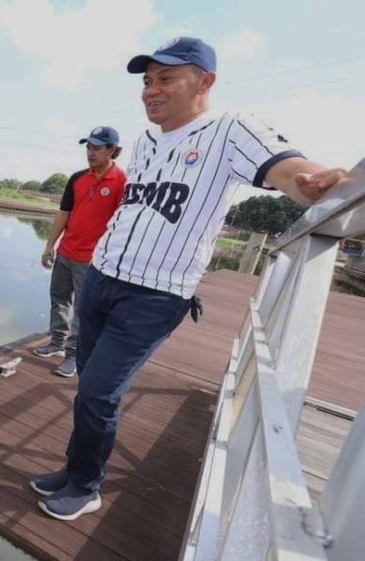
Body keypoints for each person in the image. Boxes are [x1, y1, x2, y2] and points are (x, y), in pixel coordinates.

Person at [30, 37, 350, 521]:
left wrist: (306, 181)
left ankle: (86, 486)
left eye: (165, 79)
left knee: (98, 391)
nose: (150, 91)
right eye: (147, 81)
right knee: (89, 387)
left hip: (154, 294)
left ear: (204, 82)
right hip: (101, 277)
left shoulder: (229, 128)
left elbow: (283, 166)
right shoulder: (147, 140)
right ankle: (74, 469)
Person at [34, 127, 127, 377]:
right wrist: (49, 244)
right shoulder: (77, 178)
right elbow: (64, 213)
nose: (90, 152)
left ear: (112, 150)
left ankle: (74, 356)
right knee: (59, 298)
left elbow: (122, 224)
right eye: (88, 147)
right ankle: (56, 342)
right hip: (66, 252)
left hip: (93, 260)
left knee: (84, 309)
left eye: (97, 148)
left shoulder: (122, 182)